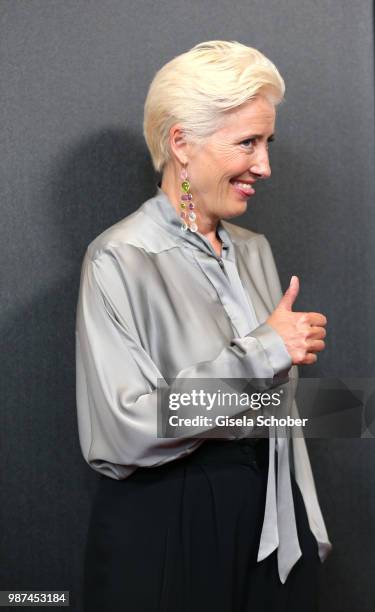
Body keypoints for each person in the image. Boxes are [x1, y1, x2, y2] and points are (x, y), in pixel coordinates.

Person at [75, 40, 332, 612]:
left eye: (267, 142)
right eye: (247, 143)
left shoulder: (254, 250)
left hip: (270, 522)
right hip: (171, 524)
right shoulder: (119, 257)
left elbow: (276, 414)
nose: (264, 165)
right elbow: (127, 428)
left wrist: (308, 520)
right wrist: (261, 353)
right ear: (181, 143)